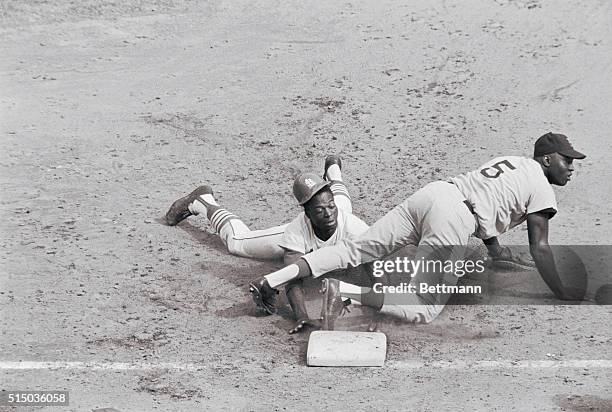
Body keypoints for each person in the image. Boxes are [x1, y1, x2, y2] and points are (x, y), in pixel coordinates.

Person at [248, 132, 586, 328]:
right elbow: (540, 247)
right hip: (450, 221)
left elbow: (483, 197)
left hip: (433, 195)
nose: (571, 167)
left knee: (356, 249)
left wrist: (495, 248)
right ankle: (345, 292)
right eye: (566, 160)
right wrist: (562, 293)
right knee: (423, 308)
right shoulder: (543, 187)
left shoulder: (514, 162)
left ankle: (273, 280)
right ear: (546, 160)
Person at [165, 156, 369, 333]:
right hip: (305, 232)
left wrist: (376, 307)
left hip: (345, 223)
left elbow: (377, 266)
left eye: (330, 206)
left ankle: (333, 171)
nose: (327, 214)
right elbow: (293, 276)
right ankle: (202, 200)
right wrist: (302, 316)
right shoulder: (297, 230)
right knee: (237, 242)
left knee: (343, 207)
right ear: (306, 214)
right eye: (318, 210)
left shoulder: (354, 228)